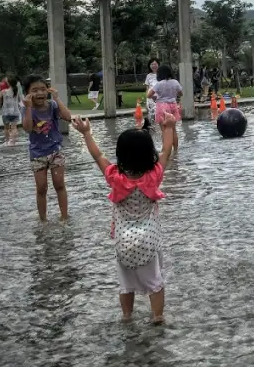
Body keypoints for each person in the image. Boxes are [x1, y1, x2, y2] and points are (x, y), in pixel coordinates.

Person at [71, 113, 176, 323]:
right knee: (155, 282)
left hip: (123, 241)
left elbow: (98, 155)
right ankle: (158, 315)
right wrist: (168, 128)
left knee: (126, 284)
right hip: (149, 241)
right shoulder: (154, 175)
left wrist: (86, 133)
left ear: (120, 154)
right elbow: (167, 151)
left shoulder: (115, 178)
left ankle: (127, 316)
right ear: (150, 155)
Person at [21, 75, 73, 221]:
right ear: (28, 93)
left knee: (59, 185)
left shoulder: (53, 106)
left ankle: (64, 217)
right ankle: (43, 219)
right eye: (35, 90)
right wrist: (28, 108)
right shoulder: (26, 109)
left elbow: (68, 117)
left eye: (43, 89)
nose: (40, 93)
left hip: (55, 150)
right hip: (37, 154)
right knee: (41, 188)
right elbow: (28, 128)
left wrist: (57, 98)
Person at [147, 64, 182, 151]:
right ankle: (176, 151)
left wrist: (155, 97)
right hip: (173, 105)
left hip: (162, 106)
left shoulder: (159, 84)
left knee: (164, 131)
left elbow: (148, 95)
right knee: (173, 129)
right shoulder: (175, 82)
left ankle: (166, 152)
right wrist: (173, 95)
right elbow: (181, 93)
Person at [0, 75, 22, 146]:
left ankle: (7, 142)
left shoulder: (3, 91)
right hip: (15, 112)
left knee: (6, 128)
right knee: (14, 128)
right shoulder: (16, 91)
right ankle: (13, 142)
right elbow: (19, 100)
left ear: (8, 83)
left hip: (6, 112)